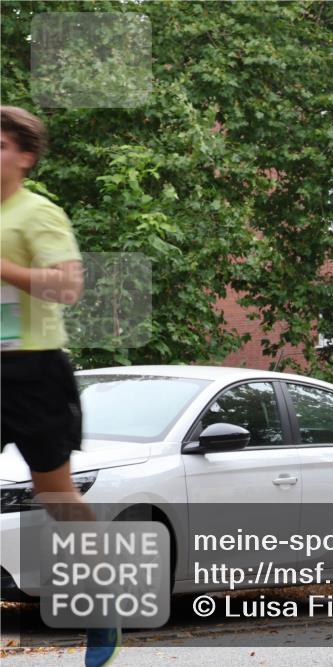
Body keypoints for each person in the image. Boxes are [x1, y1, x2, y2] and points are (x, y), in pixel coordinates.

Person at [1, 106, 120, 666]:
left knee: (56, 497)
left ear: (25, 157)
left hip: (35, 372)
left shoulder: (37, 213)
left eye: (0, 145)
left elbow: (67, 287)